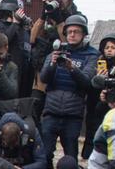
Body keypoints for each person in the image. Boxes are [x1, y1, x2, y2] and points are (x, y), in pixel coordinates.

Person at [39, 14, 98, 160]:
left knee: (70, 156)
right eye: (69, 31)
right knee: (44, 154)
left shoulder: (92, 55)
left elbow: (86, 82)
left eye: (76, 31)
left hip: (73, 114)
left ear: (83, 34)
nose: (72, 35)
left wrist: (72, 68)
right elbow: (44, 78)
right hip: (51, 111)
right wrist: (52, 63)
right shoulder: (55, 52)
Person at [29, 0, 79, 120]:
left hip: (62, 67)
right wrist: (43, 15)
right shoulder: (49, 13)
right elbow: (32, 38)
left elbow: (67, 40)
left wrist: (59, 20)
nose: (60, 0)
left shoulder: (76, 17)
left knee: (52, 112)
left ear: (70, 0)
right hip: (42, 66)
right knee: (35, 106)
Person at [83, 33, 115, 160]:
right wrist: (98, 78)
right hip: (94, 107)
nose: (109, 50)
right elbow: (89, 86)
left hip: (113, 106)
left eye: (113, 47)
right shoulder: (96, 64)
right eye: (107, 47)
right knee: (92, 134)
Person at [0, 0, 33, 98]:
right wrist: (15, 23)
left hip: (24, 70)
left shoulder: (23, 28)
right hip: (6, 68)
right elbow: (2, 40)